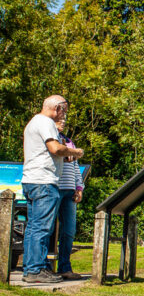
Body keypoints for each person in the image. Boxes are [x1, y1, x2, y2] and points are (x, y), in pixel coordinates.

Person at [21, 95, 84, 283]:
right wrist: (75, 151)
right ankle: (35, 270)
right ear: (58, 108)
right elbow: (55, 148)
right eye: (64, 111)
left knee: (34, 228)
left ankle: (33, 267)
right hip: (44, 182)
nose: (63, 115)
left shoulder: (35, 122)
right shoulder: (46, 122)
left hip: (32, 180)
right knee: (42, 228)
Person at [51, 117, 84, 280]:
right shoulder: (51, 139)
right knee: (48, 229)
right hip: (54, 187)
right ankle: (43, 266)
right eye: (60, 120)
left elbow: (76, 167)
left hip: (69, 191)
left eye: (65, 120)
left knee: (69, 231)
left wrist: (79, 187)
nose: (63, 122)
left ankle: (65, 267)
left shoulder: (69, 142)